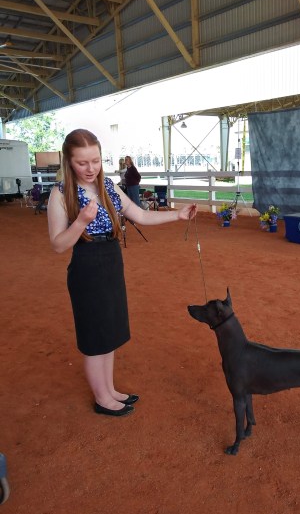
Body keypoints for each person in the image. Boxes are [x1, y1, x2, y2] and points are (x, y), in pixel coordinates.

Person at [47, 129, 197, 417]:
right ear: (68, 161)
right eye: (82, 163)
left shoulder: (107, 186)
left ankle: (109, 389)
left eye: (96, 161)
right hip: (86, 266)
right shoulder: (61, 193)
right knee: (96, 336)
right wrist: (80, 222)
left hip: (111, 261)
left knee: (110, 330)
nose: (90, 168)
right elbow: (58, 245)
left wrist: (176, 215)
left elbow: (139, 215)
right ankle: (102, 399)